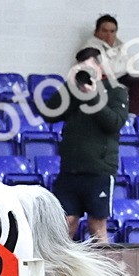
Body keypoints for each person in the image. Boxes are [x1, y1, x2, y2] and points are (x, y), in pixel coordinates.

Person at [43, 47, 129, 242]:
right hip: (70, 171)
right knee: (65, 224)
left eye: (90, 67)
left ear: (100, 67)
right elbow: (49, 112)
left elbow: (114, 122)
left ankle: (102, 272)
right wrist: (70, 84)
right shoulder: (72, 92)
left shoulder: (116, 91)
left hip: (98, 170)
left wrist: (93, 95)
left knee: (96, 226)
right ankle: (60, 272)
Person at [82, 14, 139, 116]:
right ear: (96, 32)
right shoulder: (89, 47)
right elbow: (104, 69)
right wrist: (118, 66)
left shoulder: (121, 46)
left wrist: (117, 67)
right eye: (104, 31)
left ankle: (131, 117)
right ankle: (126, 117)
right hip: (100, 80)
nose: (109, 35)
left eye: (112, 31)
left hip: (119, 77)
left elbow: (130, 66)